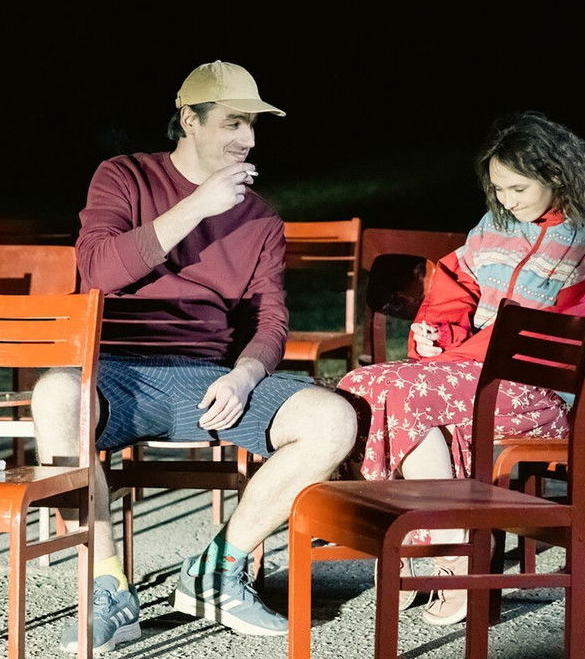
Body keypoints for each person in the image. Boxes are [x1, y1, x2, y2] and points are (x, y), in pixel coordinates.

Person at [31, 60, 358, 652]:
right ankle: (107, 586)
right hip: (116, 374)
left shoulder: (260, 217)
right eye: (234, 122)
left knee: (332, 418)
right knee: (54, 395)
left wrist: (245, 375)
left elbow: (270, 319)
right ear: (189, 119)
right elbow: (98, 269)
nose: (248, 139)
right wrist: (198, 206)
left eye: (253, 125)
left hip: (206, 378)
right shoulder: (124, 176)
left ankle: (216, 572)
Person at [338, 110, 585, 625]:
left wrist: (455, 358)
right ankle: (441, 544)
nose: (507, 201)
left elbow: (559, 332)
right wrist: (438, 335)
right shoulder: (493, 225)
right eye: (498, 189)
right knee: (361, 386)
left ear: (557, 175)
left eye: (518, 188)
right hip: (471, 374)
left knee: (396, 392)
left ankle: (445, 551)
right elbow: (456, 285)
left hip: (549, 389)